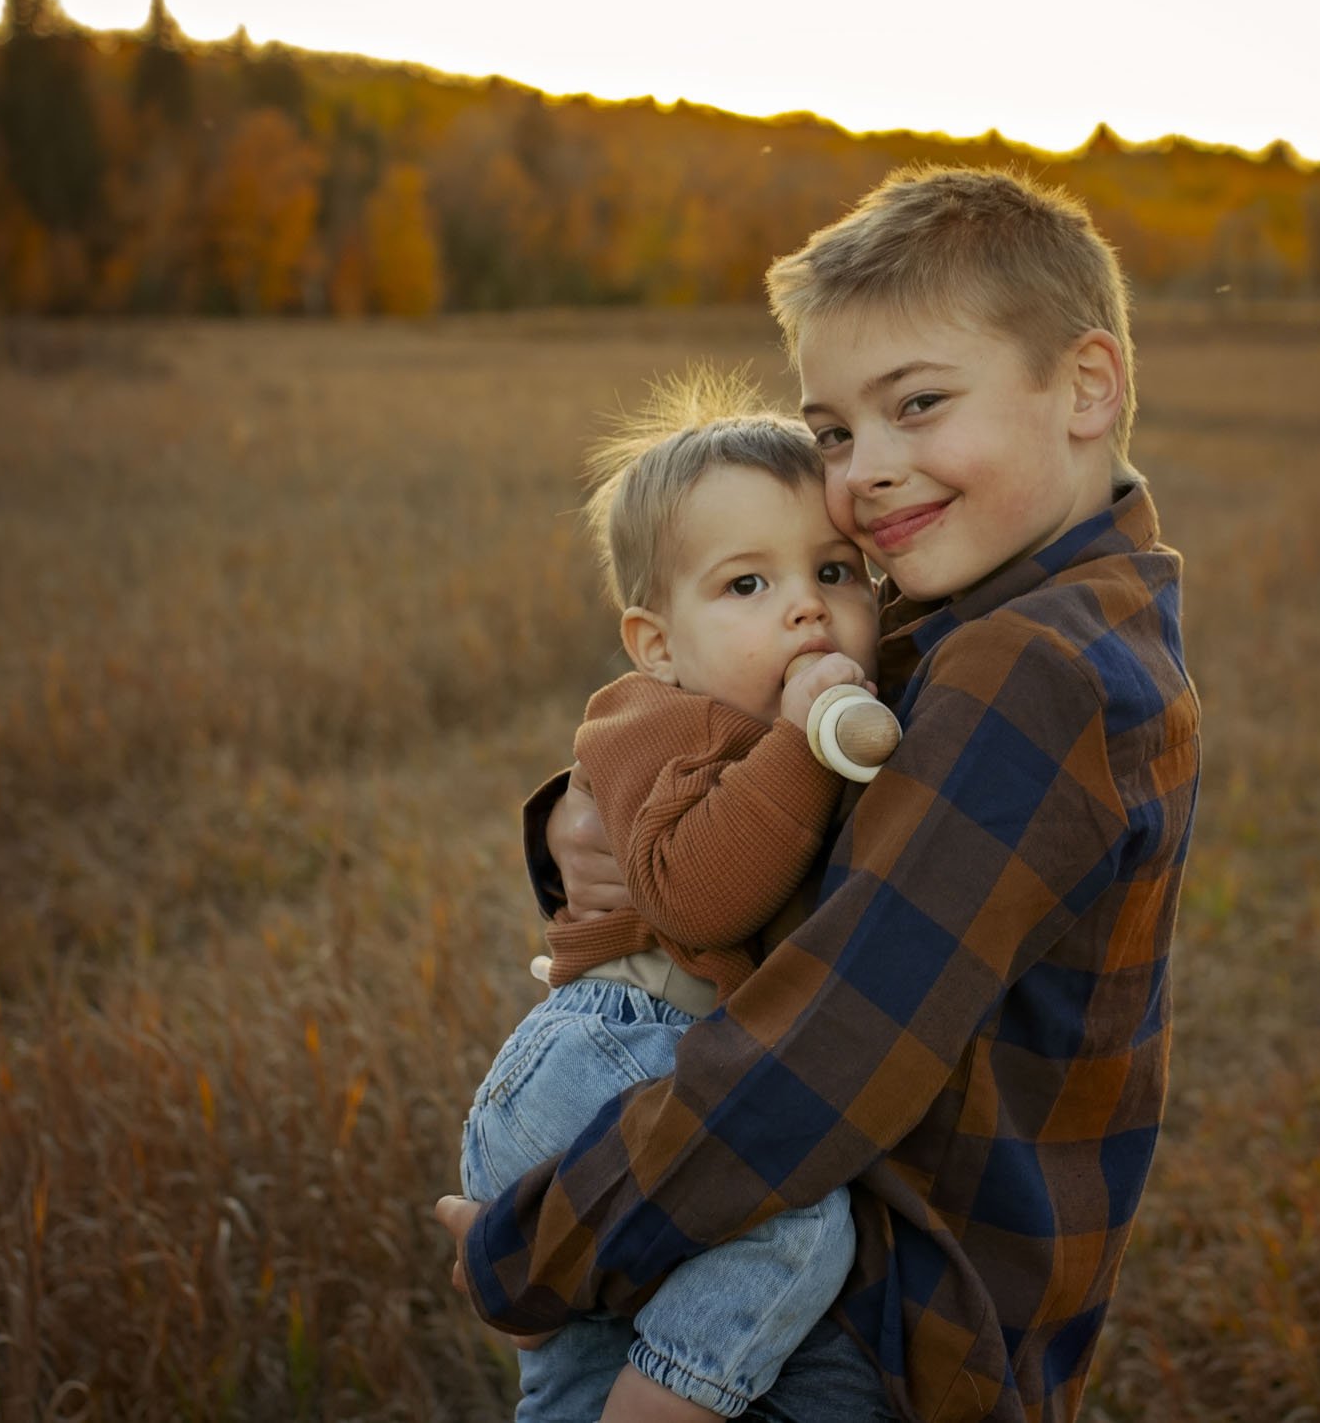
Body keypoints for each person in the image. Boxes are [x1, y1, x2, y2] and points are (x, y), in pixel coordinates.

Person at [439, 165, 1203, 1423]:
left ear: (1086, 384)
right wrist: (598, 821)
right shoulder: (1033, 611)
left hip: (869, 1326)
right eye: (837, 431)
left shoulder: (1026, 668)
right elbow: (736, 746)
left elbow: (823, 1057)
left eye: (918, 405)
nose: (867, 473)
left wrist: (529, 1250)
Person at [458, 368, 882, 1422]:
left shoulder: (818, 706)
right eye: (747, 585)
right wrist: (798, 740)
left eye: (836, 569)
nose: (804, 605)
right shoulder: (655, 719)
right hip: (607, 1044)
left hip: (656, 1046)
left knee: (578, 1370)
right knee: (794, 1218)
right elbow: (698, 897)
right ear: (658, 644)